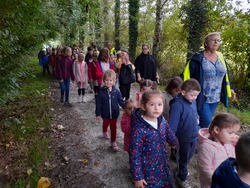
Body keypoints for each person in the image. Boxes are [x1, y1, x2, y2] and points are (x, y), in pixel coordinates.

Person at [183, 32, 236, 129]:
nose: (216, 42)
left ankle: (194, 135)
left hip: (216, 96)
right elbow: (187, 76)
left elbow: (225, 76)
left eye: (218, 40)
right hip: (201, 96)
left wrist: (230, 89)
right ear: (206, 43)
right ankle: (193, 137)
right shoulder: (197, 58)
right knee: (207, 120)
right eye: (213, 40)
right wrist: (185, 90)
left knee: (206, 121)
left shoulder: (220, 56)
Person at [129, 89, 178, 188]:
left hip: (163, 162)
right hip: (148, 170)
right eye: (152, 105)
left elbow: (169, 134)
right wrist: (138, 177)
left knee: (166, 183)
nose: (156, 108)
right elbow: (135, 154)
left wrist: (175, 142)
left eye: (160, 104)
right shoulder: (139, 130)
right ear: (143, 106)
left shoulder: (162, 120)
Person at [168, 78, 201, 188]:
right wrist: (172, 140)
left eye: (196, 95)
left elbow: (194, 113)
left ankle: (182, 168)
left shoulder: (193, 101)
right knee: (182, 158)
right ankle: (181, 176)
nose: (194, 98)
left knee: (189, 156)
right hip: (182, 139)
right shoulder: (177, 105)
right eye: (192, 95)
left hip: (193, 136)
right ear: (183, 92)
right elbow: (172, 124)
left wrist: (197, 122)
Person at [197, 112, 241, 188]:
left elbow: (241, 152)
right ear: (217, 130)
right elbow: (205, 170)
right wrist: (221, 182)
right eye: (230, 133)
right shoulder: (206, 147)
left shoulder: (228, 141)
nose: (234, 136)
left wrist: (240, 143)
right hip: (214, 184)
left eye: (235, 133)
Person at [95, 70, 125, 151]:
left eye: (111, 80)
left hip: (114, 115)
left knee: (113, 128)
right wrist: (98, 114)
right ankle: (104, 131)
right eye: (107, 80)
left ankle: (113, 142)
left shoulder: (117, 92)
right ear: (104, 80)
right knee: (105, 124)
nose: (108, 82)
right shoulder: (101, 92)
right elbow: (98, 104)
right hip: (105, 114)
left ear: (114, 81)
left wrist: (126, 107)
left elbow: (121, 101)